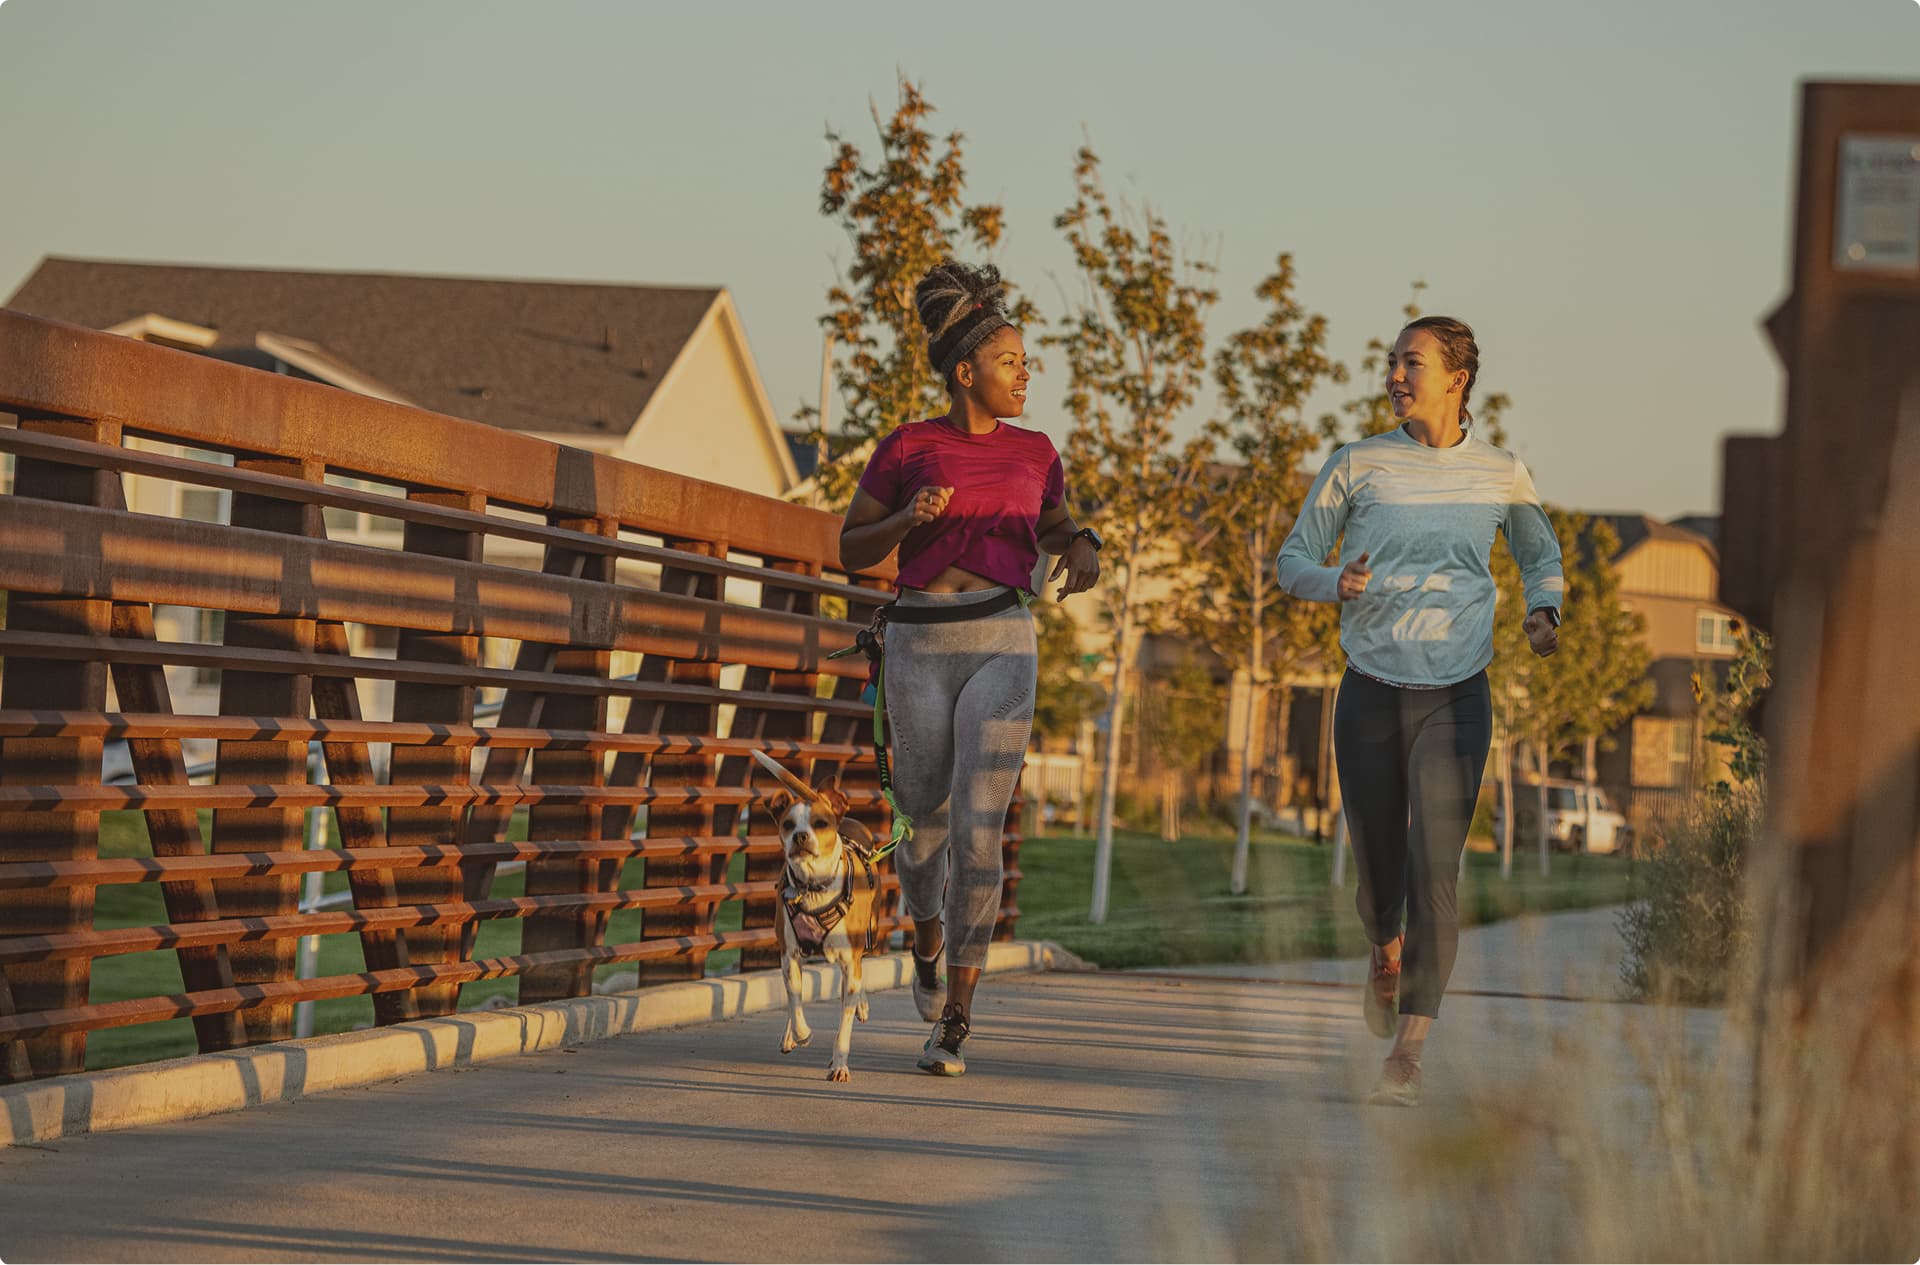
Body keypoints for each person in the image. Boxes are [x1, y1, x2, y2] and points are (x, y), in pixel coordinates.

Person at [1274, 316, 1562, 1106]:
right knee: (1379, 875)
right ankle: (1383, 946)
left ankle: (1408, 1051)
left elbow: (1540, 554)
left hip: (1457, 694)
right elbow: (1292, 559)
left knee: (1437, 868)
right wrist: (1333, 582)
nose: (1395, 374)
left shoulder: (1502, 473)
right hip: (1370, 687)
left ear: (1456, 377)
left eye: (1412, 361)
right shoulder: (1358, 464)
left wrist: (1545, 609)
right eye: (1392, 361)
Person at [838, 260, 1100, 1077]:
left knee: (982, 828)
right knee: (922, 827)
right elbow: (850, 549)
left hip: (1002, 638)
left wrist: (1083, 545)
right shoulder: (908, 446)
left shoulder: (1037, 451)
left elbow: (1056, 526)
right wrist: (906, 519)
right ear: (966, 372)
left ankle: (955, 1017)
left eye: (1027, 361)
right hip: (918, 640)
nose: (1028, 372)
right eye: (1012, 361)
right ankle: (922, 934)